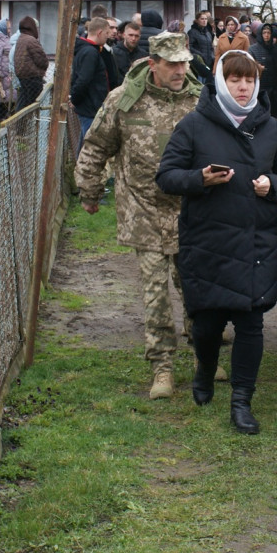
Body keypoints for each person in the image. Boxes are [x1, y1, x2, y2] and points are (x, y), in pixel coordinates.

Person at [157, 50, 277, 435]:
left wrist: (273, 186)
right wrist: (199, 179)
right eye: (235, 79)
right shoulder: (195, 125)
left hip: (256, 243)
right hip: (208, 241)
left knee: (252, 325)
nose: (243, 86)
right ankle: (204, 368)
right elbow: (166, 176)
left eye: (249, 79)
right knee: (207, 324)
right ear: (221, 81)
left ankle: (241, 401)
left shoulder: (269, 129)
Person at [75, 31, 203, 400]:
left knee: (193, 286)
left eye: (184, 63)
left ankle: (202, 354)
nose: (180, 70)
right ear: (153, 64)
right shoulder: (123, 102)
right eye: (172, 64)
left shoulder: (200, 101)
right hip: (142, 209)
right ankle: (162, 366)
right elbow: (96, 145)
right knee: (155, 292)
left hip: (189, 211)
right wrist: (89, 190)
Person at [70, 16, 116, 147]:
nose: (108, 36)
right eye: (107, 33)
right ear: (100, 33)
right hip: (91, 107)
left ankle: (79, 165)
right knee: (90, 145)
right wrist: (75, 99)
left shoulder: (88, 50)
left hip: (89, 106)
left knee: (86, 141)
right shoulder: (90, 53)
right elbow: (83, 80)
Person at [249, 23, 277, 126]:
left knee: (274, 114)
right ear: (260, 34)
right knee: (260, 114)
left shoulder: (276, 50)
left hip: (274, 89)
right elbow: (248, 69)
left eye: (268, 33)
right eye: (264, 33)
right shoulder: (253, 50)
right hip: (259, 88)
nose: (266, 35)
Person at [13, 15, 48, 111]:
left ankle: (20, 124)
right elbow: (42, 60)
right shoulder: (31, 40)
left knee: (24, 104)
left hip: (23, 77)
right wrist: (43, 68)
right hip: (33, 77)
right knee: (34, 105)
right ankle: (31, 124)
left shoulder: (21, 39)